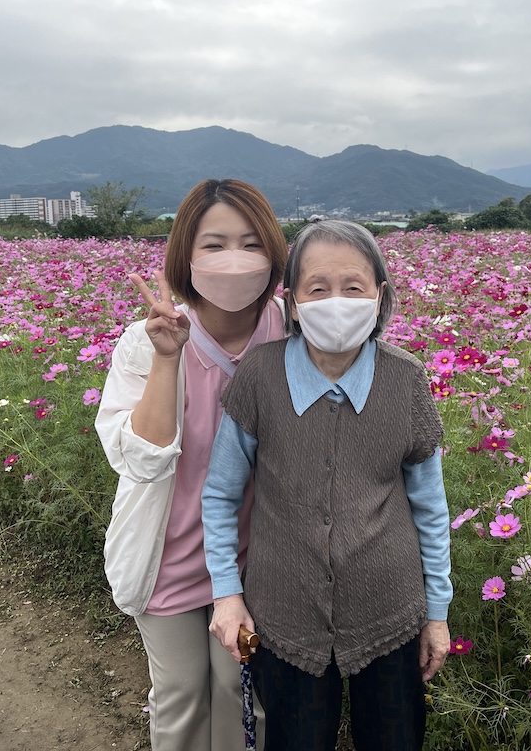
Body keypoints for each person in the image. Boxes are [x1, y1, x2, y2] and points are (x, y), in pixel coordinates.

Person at [202, 220, 452, 751]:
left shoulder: (406, 379)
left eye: (353, 287)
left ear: (379, 296)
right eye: (318, 288)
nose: (336, 301)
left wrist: (436, 615)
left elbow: (430, 507)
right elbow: (221, 494)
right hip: (284, 617)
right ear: (291, 302)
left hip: (390, 616)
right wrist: (227, 595)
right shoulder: (260, 377)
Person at [95, 179, 288, 751]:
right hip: (170, 556)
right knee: (181, 693)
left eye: (252, 244)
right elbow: (138, 461)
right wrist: (165, 358)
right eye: (214, 244)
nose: (234, 260)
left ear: (275, 254)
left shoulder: (291, 332)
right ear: (185, 255)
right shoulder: (144, 341)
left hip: (257, 561)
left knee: (242, 689)